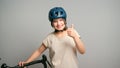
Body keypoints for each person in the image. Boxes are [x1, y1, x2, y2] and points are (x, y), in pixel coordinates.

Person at [19, 7, 85, 68]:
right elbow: (38, 51)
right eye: (55, 21)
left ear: (65, 20)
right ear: (52, 23)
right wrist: (26, 63)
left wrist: (75, 36)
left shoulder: (73, 32)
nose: (58, 24)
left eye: (61, 20)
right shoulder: (49, 38)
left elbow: (82, 51)